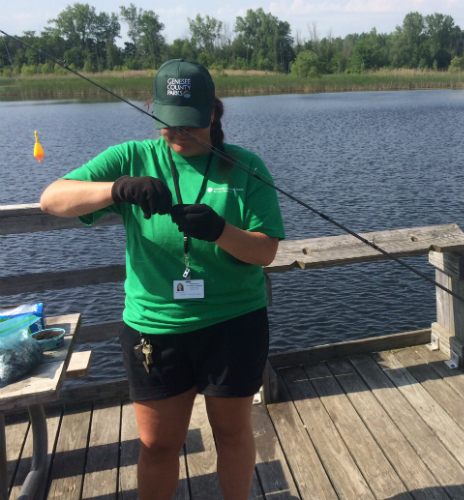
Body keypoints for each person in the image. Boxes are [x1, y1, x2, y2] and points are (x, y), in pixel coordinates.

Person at [39, 59, 285, 500]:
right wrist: (115, 190)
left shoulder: (245, 166)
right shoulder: (131, 157)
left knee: (232, 433)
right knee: (157, 444)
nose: (179, 133)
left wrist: (221, 231)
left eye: (190, 123)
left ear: (212, 112)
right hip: (154, 328)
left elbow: (265, 251)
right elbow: (52, 199)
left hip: (234, 323)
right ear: (153, 112)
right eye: (169, 123)